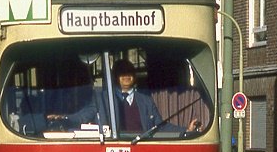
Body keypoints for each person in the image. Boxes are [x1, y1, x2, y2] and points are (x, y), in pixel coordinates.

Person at [49, 58, 201, 135]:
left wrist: (185, 130)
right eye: (122, 72)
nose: (126, 76)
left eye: (129, 72)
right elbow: (82, 116)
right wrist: (64, 119)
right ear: (115, 76)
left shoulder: (145, 101)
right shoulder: (101, 99)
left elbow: (160, 127)